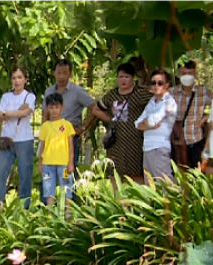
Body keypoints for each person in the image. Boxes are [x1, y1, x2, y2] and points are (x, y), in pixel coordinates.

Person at [90, 62, 154, 191]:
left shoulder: (141, 93)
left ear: (132, 78)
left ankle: (139, 206)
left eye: (126, 77)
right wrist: (110, 119)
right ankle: (116, 204)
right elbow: (96, 109)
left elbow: (157, 104)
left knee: (137, 174)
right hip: (116, 142)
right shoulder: (112, 95)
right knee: (115, 174)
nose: (123, 80)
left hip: (136, 141)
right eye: (120, 77)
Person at [0, 67, 36, 211]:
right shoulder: (6, 97)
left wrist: (7, 113)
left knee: (25, 175)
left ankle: (24, 209)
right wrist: (14, 112)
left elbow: (25, 112)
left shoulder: (29, 96)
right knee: (0, 174)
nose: (16, 81)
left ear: (25, 80)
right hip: (6, 139)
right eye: (14, 78)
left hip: (24, 140)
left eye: (20, 77)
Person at [42, 59, 95, 169]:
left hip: (69, 137)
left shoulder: (77, 91)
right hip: (51, 137)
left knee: (68, 171)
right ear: (54, 73)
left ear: (70, 74)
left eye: (65, 73)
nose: (61, 76)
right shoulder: (49, 91)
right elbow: (45, 114)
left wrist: (84, 128)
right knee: (49, 171)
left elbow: (94, 108)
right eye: (59, 73)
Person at [135, 69, 178, 182]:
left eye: (160, 83)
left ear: (167, 84)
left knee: (164, 182)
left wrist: (146, 124)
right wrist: (147, 124)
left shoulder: (169, 102)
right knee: (150, 184)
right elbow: (137, 123)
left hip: (159, 147)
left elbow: (152, 121)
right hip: (147, 146)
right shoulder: (152, 101)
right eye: (153, 83)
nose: (156, 85)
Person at [171, 60, 213, 169]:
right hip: (176, 142)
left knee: (197, 174)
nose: (187, 76)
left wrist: (206, 118)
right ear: (179, 74)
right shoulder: (171, 93)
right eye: (184, 73)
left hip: (195, 139)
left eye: (190, 74)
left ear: (195, 74)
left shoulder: (204, 93)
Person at [38, 94, 76, 207]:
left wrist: (71, 162)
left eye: (56, 107)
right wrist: (40, 162)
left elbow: (70, 145)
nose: (54, 110)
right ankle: (51, 214)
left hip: (63, 163)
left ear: (62, 107)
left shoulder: (67, 125)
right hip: (48, 163)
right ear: (47, 109)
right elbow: (42, 145)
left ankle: (68, 214)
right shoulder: (45, 126)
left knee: (67, 188)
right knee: (49, 189)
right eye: (51, 108)